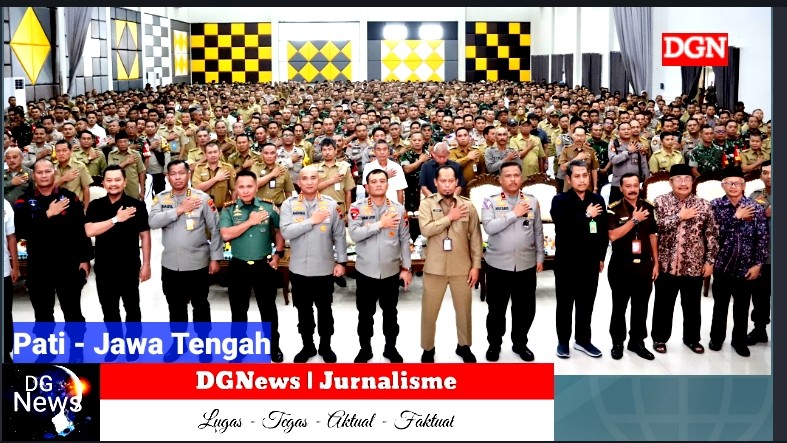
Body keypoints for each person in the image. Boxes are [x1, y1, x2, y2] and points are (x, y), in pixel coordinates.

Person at [13, 158, 93, 362]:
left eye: (48, 171)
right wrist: (47, 214)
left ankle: (77, 351)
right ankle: (46, 352)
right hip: (38, 266)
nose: (44, 175)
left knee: (73, 312)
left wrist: (85, 259)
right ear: (34, 175)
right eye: (39, 172)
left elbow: (80, 230)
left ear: (54, 173)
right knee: (42, 315)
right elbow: (22, 235)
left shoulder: (69, 198)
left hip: (68, 264)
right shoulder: (23, 202)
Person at [148, 159, 223, 362]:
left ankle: (204, 344)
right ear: (167, 177)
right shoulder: (161, 198)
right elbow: (153, 222)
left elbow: (215, 229)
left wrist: (216, 258)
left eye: (181, 173)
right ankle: (178, 344)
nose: (178, 177)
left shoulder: (202, 198)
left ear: (189, 175)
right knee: (175, 307)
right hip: (170, 265)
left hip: (197, 263)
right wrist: (179, 209)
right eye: (173, 174)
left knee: (200, 306)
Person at [280, 165, 348, 363]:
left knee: (325, 311)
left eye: (313, 178)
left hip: (324, 269)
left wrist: (341, 262)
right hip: (299, 269)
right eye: (305, 178)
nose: (309, 182)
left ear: (318, 181)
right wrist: (311, 221)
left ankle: (325, 346)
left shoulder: (330, 205)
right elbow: (286, 232)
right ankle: (307, 346)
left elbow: (339, 235)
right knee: (303, 311)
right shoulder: (289, 205)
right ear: (298, 182)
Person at [84, 165, 151, 362]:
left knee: (132, 308)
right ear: (103, 183)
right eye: (109, 180)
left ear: (125, 182)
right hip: (104, 267)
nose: (113, 184)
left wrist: (146, 264)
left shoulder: (136, 205)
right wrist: (116, 219)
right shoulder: (96, 206)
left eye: (117, 180)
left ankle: (133, 345)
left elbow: (145, 236)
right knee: (109, 309)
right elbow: (89, 231)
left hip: (129, 266)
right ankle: (115, 344)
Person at [651, 164, 719, 355]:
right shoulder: (659, 202)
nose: (683, 183)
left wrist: (710, 261)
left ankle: (692, 339)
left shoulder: (704, 205)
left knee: (692, 306)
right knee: (663, 305)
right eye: (679, 179)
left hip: (694, 265)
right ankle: (659, 338)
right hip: (666, 265)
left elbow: (712, 235)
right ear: (670, 182)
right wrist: (679, 216)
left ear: (692, 182)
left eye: (687, 179)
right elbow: (655, 228)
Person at [418, 164, 483, 363]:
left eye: (450, 181)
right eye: (443, 181)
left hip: (462, 267)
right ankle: (428, 348)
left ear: (456, 183)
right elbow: (426, 230)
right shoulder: (427, 204)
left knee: (464, 311)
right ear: (436, 182)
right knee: (429, 311)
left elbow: (475, 238)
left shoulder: (467, 206)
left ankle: (464, 346)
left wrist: (476, 266)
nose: (447, 185)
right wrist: (449, 218)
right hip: (435, 267)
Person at [219, 170, 285, 363]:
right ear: (236, 189)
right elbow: (226, 235)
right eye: (241, 187)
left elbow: (280, 230)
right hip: (238, 266)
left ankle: (273, 346)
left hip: (263, 265)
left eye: (249, 186)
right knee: (238, 311)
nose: (246, 190)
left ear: (256, 187)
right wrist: (250, 222)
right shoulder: (229, 210)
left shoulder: (268, 207)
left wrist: (278, 254)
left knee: (268, 309)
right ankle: (239, 349)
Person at [481, 162, 544, 362]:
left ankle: (520, 343)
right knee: (496, 310)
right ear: (500, 180)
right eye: (508, 176)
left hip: (526, 264)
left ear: (521, 178)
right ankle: (494, 344)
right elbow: (489, 227)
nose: (513, 179)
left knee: (525, 310)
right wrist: (513, 214)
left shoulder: (532, 201)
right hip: (497, 265)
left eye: (516, 175)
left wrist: (540, 256)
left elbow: (538, 230)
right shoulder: (490, 201)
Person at [348, 169, 412, 363]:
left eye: (382, 181)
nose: (378, 184)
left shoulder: (398, 209)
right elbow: (355, 235)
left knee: (391, 314)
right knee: (365, 316)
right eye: (374, 181)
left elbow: (405, 240)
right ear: (367, 187)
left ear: (387, 185)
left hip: (390, 272)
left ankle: (390, 348)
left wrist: (406, 269)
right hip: (365, 272)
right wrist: (380, 224)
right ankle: (365, 349)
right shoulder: (357, 208)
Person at [550, 159, 608, 358]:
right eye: (577, 176)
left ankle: (583, 340)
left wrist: (601, 256)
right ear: (569, 179)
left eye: (585, 175)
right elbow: (563, 227)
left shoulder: (597, 199)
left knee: (586, 303)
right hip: (566, 261)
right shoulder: (560, 200)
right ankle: (563, 341)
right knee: (565, 304)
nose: (582, 180)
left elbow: (602, 231)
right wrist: (586, 215)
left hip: (590, 261)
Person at [708, 166, 769, 357]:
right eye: (729, 183)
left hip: (746, 267)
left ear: (744, 185)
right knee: (720, 306)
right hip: (723, 265)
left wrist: (758, 264)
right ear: (723, 185)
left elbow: (762, 238)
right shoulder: (715, 205)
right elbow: (715, 234)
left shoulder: (755, 207)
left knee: (742, 308)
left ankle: (739, 341)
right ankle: (716, 338)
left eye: (737, 183)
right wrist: (737, 217)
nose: (733, 186)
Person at [606, 173, 658, 361]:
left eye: (635, 185)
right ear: (621, 188)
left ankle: (637, 341)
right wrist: (634, 220)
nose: (632, 189)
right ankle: (617, 342)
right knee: (619, 306)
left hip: (644, 264)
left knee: (641, 306)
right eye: (628, 186)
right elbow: (612, 235)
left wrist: (656, 263)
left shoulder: (649, 207)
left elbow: (652, 236)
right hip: (621, 264)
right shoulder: (613, 209)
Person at [747, 160, 771, 345]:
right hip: (763, 254)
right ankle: (760, 329)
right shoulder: (755, 195)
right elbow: (747, 217)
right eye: (765, 173)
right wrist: (764, 213)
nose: (769, 177)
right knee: (760, 295)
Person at [4, 199, 20, 362]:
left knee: (5, 313)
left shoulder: (5, 205)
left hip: (3, 270)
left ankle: (5, 350)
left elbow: (11, 237)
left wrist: (15, 265)